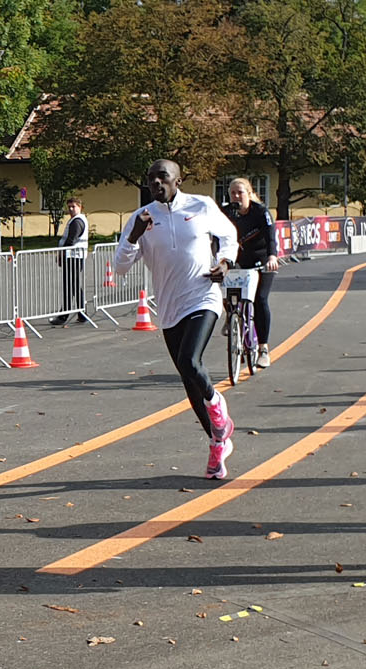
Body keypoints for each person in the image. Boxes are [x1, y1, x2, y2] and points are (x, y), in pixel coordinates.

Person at [112, 159, 241, 479]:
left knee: (190, 359)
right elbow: (120, 267)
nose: (155, 183)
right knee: (187, 377)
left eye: (162, 177)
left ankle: (218, 409)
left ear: (178, 181)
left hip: (203, 296)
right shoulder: (141, 218)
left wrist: (225, 263)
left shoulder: (201, 205)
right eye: (150, 178)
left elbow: (229, 235)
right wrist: (133, 238)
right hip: (169, 308)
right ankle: (217, 442)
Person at [222, 178, 280, 368]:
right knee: (225, 292)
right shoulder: (227, 213)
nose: (236, 197)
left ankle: (263, 348)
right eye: (233, 193)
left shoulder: (260, 212)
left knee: (260, 299)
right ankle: (231, 317)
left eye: (240, 193)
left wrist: (272, 257)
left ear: (249, 193)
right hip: (239, 261)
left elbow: (271, 237)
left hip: (261, 261)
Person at [51, 198, 90, 326]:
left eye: (73, 206)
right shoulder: (77, 220)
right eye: (69, 207)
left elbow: (71, 240)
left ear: (80, 207)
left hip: (73, 256)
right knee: (74, 286)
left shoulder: (77, 221)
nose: (71, 209)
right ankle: (82, 314)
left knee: (69, 286)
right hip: (76, 256)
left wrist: (61, 254)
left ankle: (64, 316)